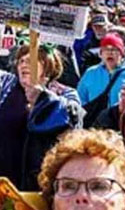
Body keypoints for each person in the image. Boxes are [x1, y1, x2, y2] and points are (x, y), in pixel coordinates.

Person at [0, 43, 84, 190]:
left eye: (30, 61)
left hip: (40, 181)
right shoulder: (7, 88)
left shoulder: (65, 93)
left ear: (47, 65)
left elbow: (73, 122)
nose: (23, 65)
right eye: (21, 61)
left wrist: (42, 99)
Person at [78, 33, 125, 123]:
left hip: (119, 121)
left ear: (122, 54)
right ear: (100, 54)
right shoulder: (91, 72)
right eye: (106, 49)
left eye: (114, 49)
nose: (110, 53)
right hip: (94, 123)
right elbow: (80, 98)